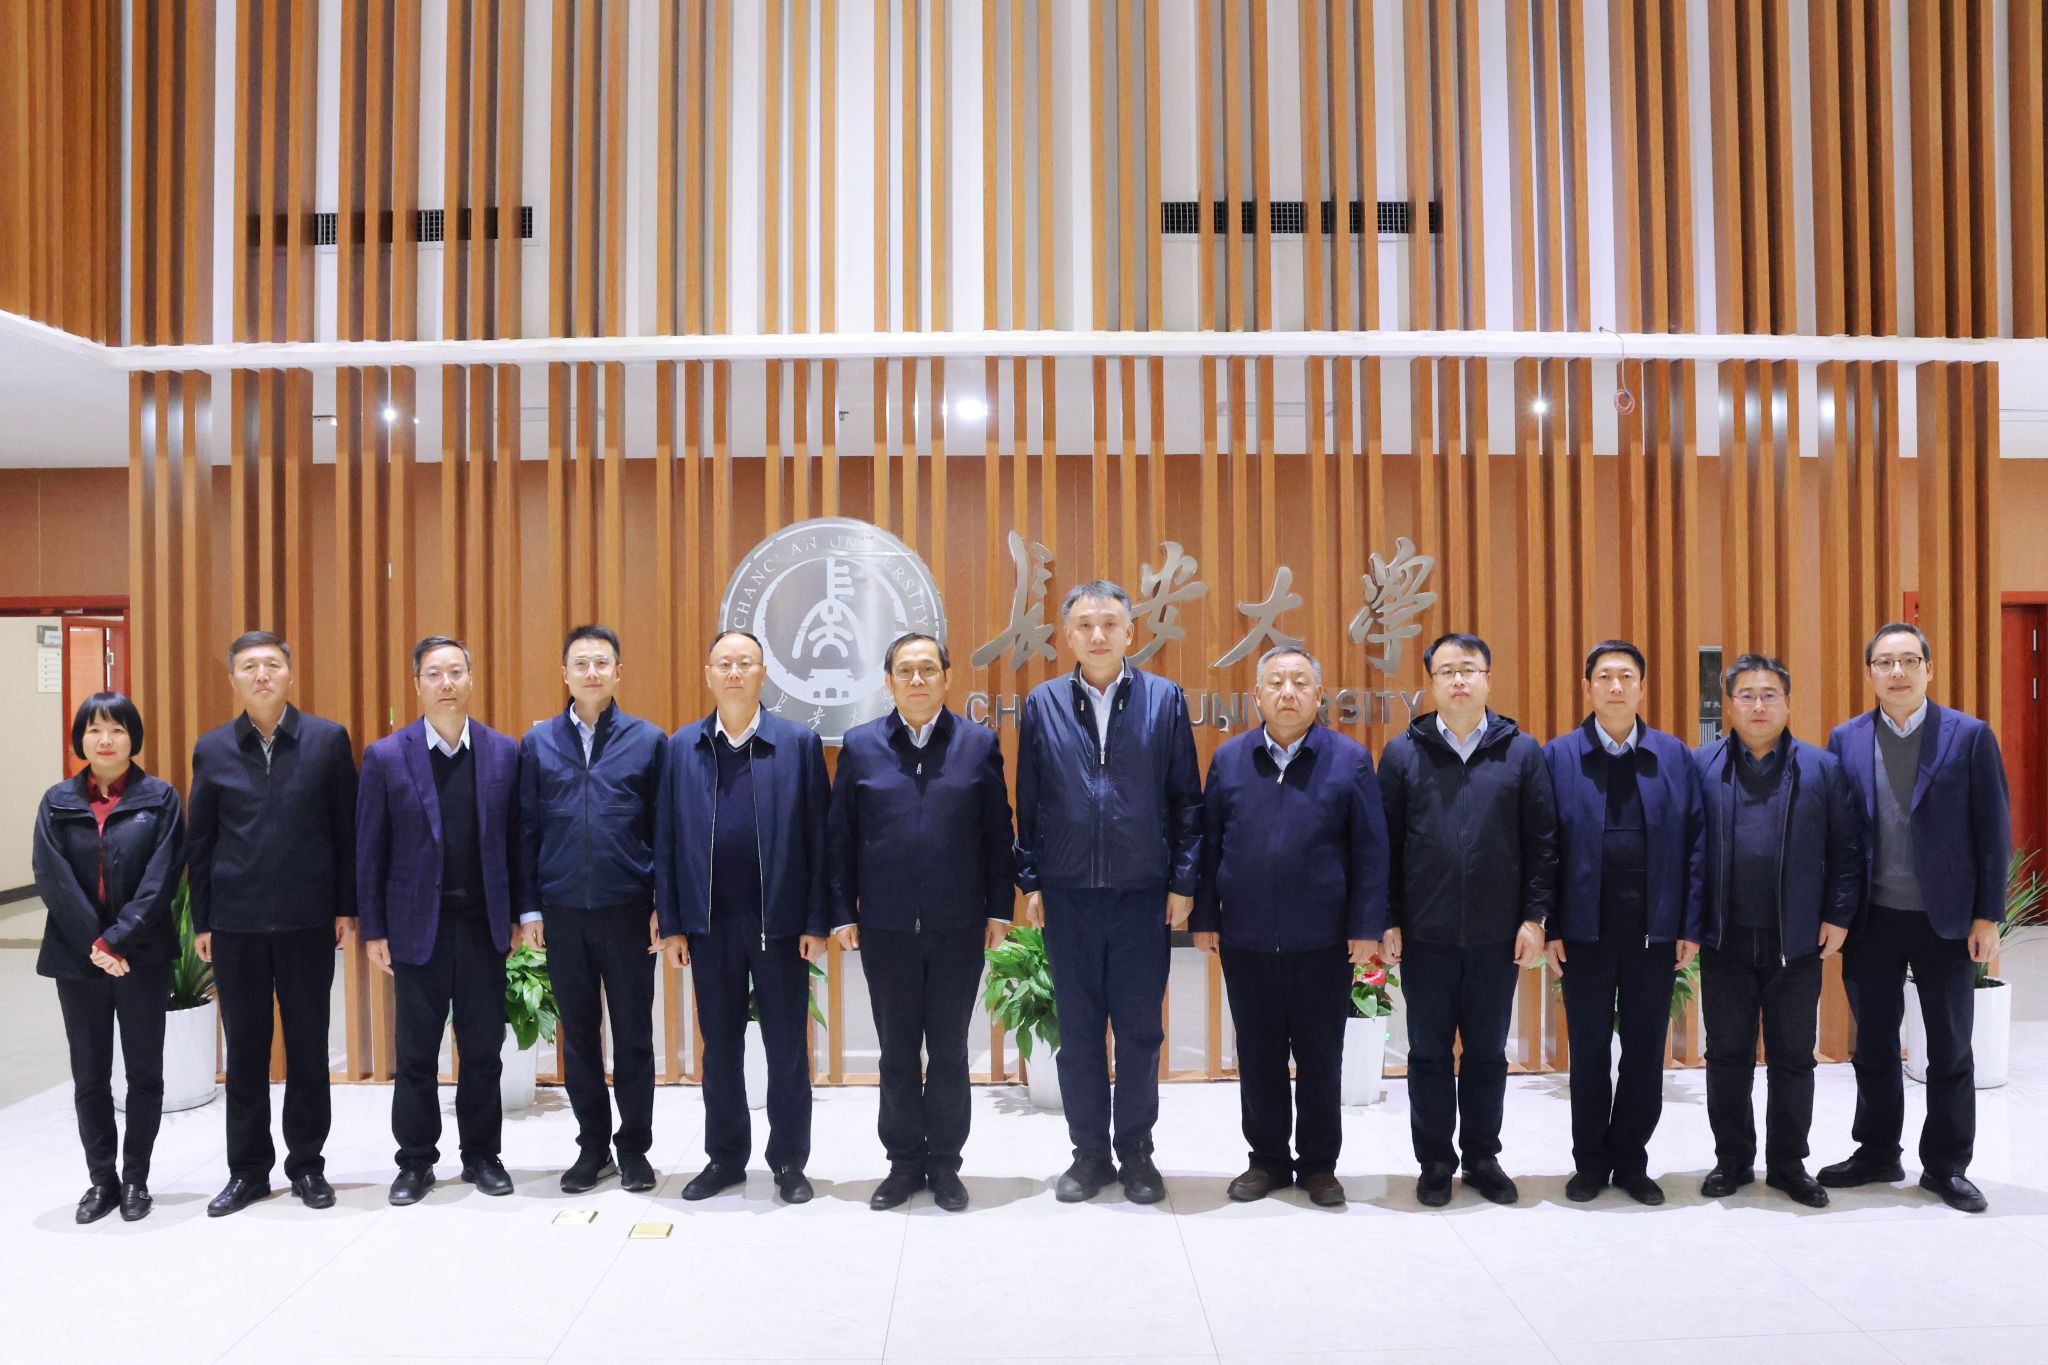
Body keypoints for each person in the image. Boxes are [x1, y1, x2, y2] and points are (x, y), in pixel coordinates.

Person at [1014, 579, 1202, 1204]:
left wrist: (1182, 881)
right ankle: (1089, 1155)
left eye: (1110, 624)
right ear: (1067, 635)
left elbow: (1186, 800)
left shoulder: (1164, 699)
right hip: (1068, 894)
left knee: (1140, 1032)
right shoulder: (1042, 703)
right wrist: (1032, 879)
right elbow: (1029, 802)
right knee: (1078, 1033)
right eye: (1086, 625)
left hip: (1142, 893)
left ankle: (1138, 1153)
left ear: (1130, 632)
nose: (1098, 635)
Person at [1818, 623, 2012, 1213]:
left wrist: (1987, 916)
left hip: (1944, 919)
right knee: (1873, 1044)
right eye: (1885, 662)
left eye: (1908, 661)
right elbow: (1838, 834)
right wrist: (1835, 912)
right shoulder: (1846, 738)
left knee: (1950, 1045)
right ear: (1870, 673)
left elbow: (1993, 831)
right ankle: (1878, 1152)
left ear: (1929, 668)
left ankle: (1947, 1165)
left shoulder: (1969, 736)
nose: (1897, 672)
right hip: (1872, 918)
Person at [1192, 645, 1388, 1207]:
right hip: (1247, 938)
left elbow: (1371, 849)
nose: (1288, 692)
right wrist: (1205, 916)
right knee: (1258, 1055)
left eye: (1300, 682)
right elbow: (1209, 844)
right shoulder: (1230, 759)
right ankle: (1268, 1161)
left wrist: (1366, 926)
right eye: (1276, 682)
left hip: (1323, 940)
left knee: (1322, 1057)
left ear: (1318, 695)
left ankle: (1320, 1165)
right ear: (1256, 695)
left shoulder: (1349, 759)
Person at [827, 633, 1015, 1212]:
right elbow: (840, 837)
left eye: (928, 669)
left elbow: (997, 833)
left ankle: (946, 1164)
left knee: (951, 1051)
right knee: (897, 1051)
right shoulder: (861, 746)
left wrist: (998, 910)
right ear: (888, 681)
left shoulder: (977, 744)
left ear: (946, 678)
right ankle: (904, 1163)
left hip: (958, 927)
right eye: (905, 670)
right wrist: (842, 910)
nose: (916, 679)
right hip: (885, 928)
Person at [1376, 632, 1557, 1207]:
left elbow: (1542, 842)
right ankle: (1434, 1161)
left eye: (1469, 669)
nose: (1459, 680)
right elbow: (1385, 845)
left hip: (1495, 936)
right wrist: (1388, 918)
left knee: (1486, 1053)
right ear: (1430, 683)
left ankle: (1482, 1157)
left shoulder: (1521, 752)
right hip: (1424, 935)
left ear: (1487, 679)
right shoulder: (1402, 753)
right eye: (1447, 671)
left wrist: (1534, 918)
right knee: (1428, 1054)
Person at [655, 629, 833, 1205]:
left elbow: (820, 839)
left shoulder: (797, 744)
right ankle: (725, 1159)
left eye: (745, 663)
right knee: (721, 1051)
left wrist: (816, 921)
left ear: (763, 674)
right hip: (709, 927)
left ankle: (789, 1162)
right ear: (708, 674)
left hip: (779, 926)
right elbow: (665, 840)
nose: (734, 673)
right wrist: (673, 923)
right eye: (724, 664)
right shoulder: (681, 748)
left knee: (787, 1050)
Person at [187, 630, 357, 1216]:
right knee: (246, 1052)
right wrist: (204, 920)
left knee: (309, 1047)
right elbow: (201, 841)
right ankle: (248, 1170)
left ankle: (307, 1165)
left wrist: (345, 906)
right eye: (249, 667)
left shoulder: (327, 740)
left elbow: (346, 831)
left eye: (271, 665)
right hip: (236, 924)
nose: (261, 675)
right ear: (233, 679)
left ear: (289, 674)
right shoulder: (212, 748)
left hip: (309, 921)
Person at [357, 636, 522, 1205]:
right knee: (415, 1055)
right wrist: (374, 929)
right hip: (414, 928)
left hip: (482, 926)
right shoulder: (385, 756)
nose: (446, 683)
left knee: (483, 1051)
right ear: (418, 684)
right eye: (434, 674)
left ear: (471, 680)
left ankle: (482, 1155)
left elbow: (516, 841)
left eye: (455, 672)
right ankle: (415, 1162)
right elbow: (369, 850)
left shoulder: (503, 751)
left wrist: (519, 914)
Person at [1542, 640, 1706, 1206]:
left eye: (1626, 676)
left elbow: (1696, 844)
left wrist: (1688, 924)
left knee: (1643, 1051)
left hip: (1653, 932)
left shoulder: (1673, 755)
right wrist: (1549, 925)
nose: (1615, 686)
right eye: (1605, 677)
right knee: (1588, 1052)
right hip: (1582, 931)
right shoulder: (1558, 756)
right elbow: (1544, 847)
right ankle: (1590, 1162)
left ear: (1641, 686)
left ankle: (1632, 1161)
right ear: (1587, 687)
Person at [1695, 653, 1862, 1207]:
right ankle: (1733, 1161)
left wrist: (1839, 914)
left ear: (1788, 703)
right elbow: (1686, 850)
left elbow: (1847, 849)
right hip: (1724, 939)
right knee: (1727, 1057)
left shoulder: (1821, 768)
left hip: (1797, 940)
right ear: (1729, 705)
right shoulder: (1701, 765)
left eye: (1770, 694)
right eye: (1746, 695)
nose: (1758, 705)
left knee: (1793, 1057)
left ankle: (1789, 1164)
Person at [517, 624, 666, 1195]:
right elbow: (525, 830)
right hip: (562, 911)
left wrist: (663, 905)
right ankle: (592, 1148)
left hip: (628, 910)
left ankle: (635, 1149)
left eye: (602, 662)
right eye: (580, 663)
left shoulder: (648, 741)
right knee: (578, 1037)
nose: (592, 672)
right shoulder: (538, 743)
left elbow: (665, 831)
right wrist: (530, 909)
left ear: (618, 671)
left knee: (633, 1037)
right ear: (565, 674)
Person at [33, 692, 185, 1224]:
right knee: (90, 1075)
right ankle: (102, 1180)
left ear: (132, 737)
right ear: (81, 738)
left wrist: (117, 940)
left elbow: (162, 877)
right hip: (79, 960)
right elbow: (52, 877)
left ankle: (136, 1178)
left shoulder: (160, 798)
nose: (105, 739)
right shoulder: (56, 801)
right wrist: (97, 945)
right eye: (94, 729)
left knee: (144, 1072)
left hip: (141, 955)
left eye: (117, 729)